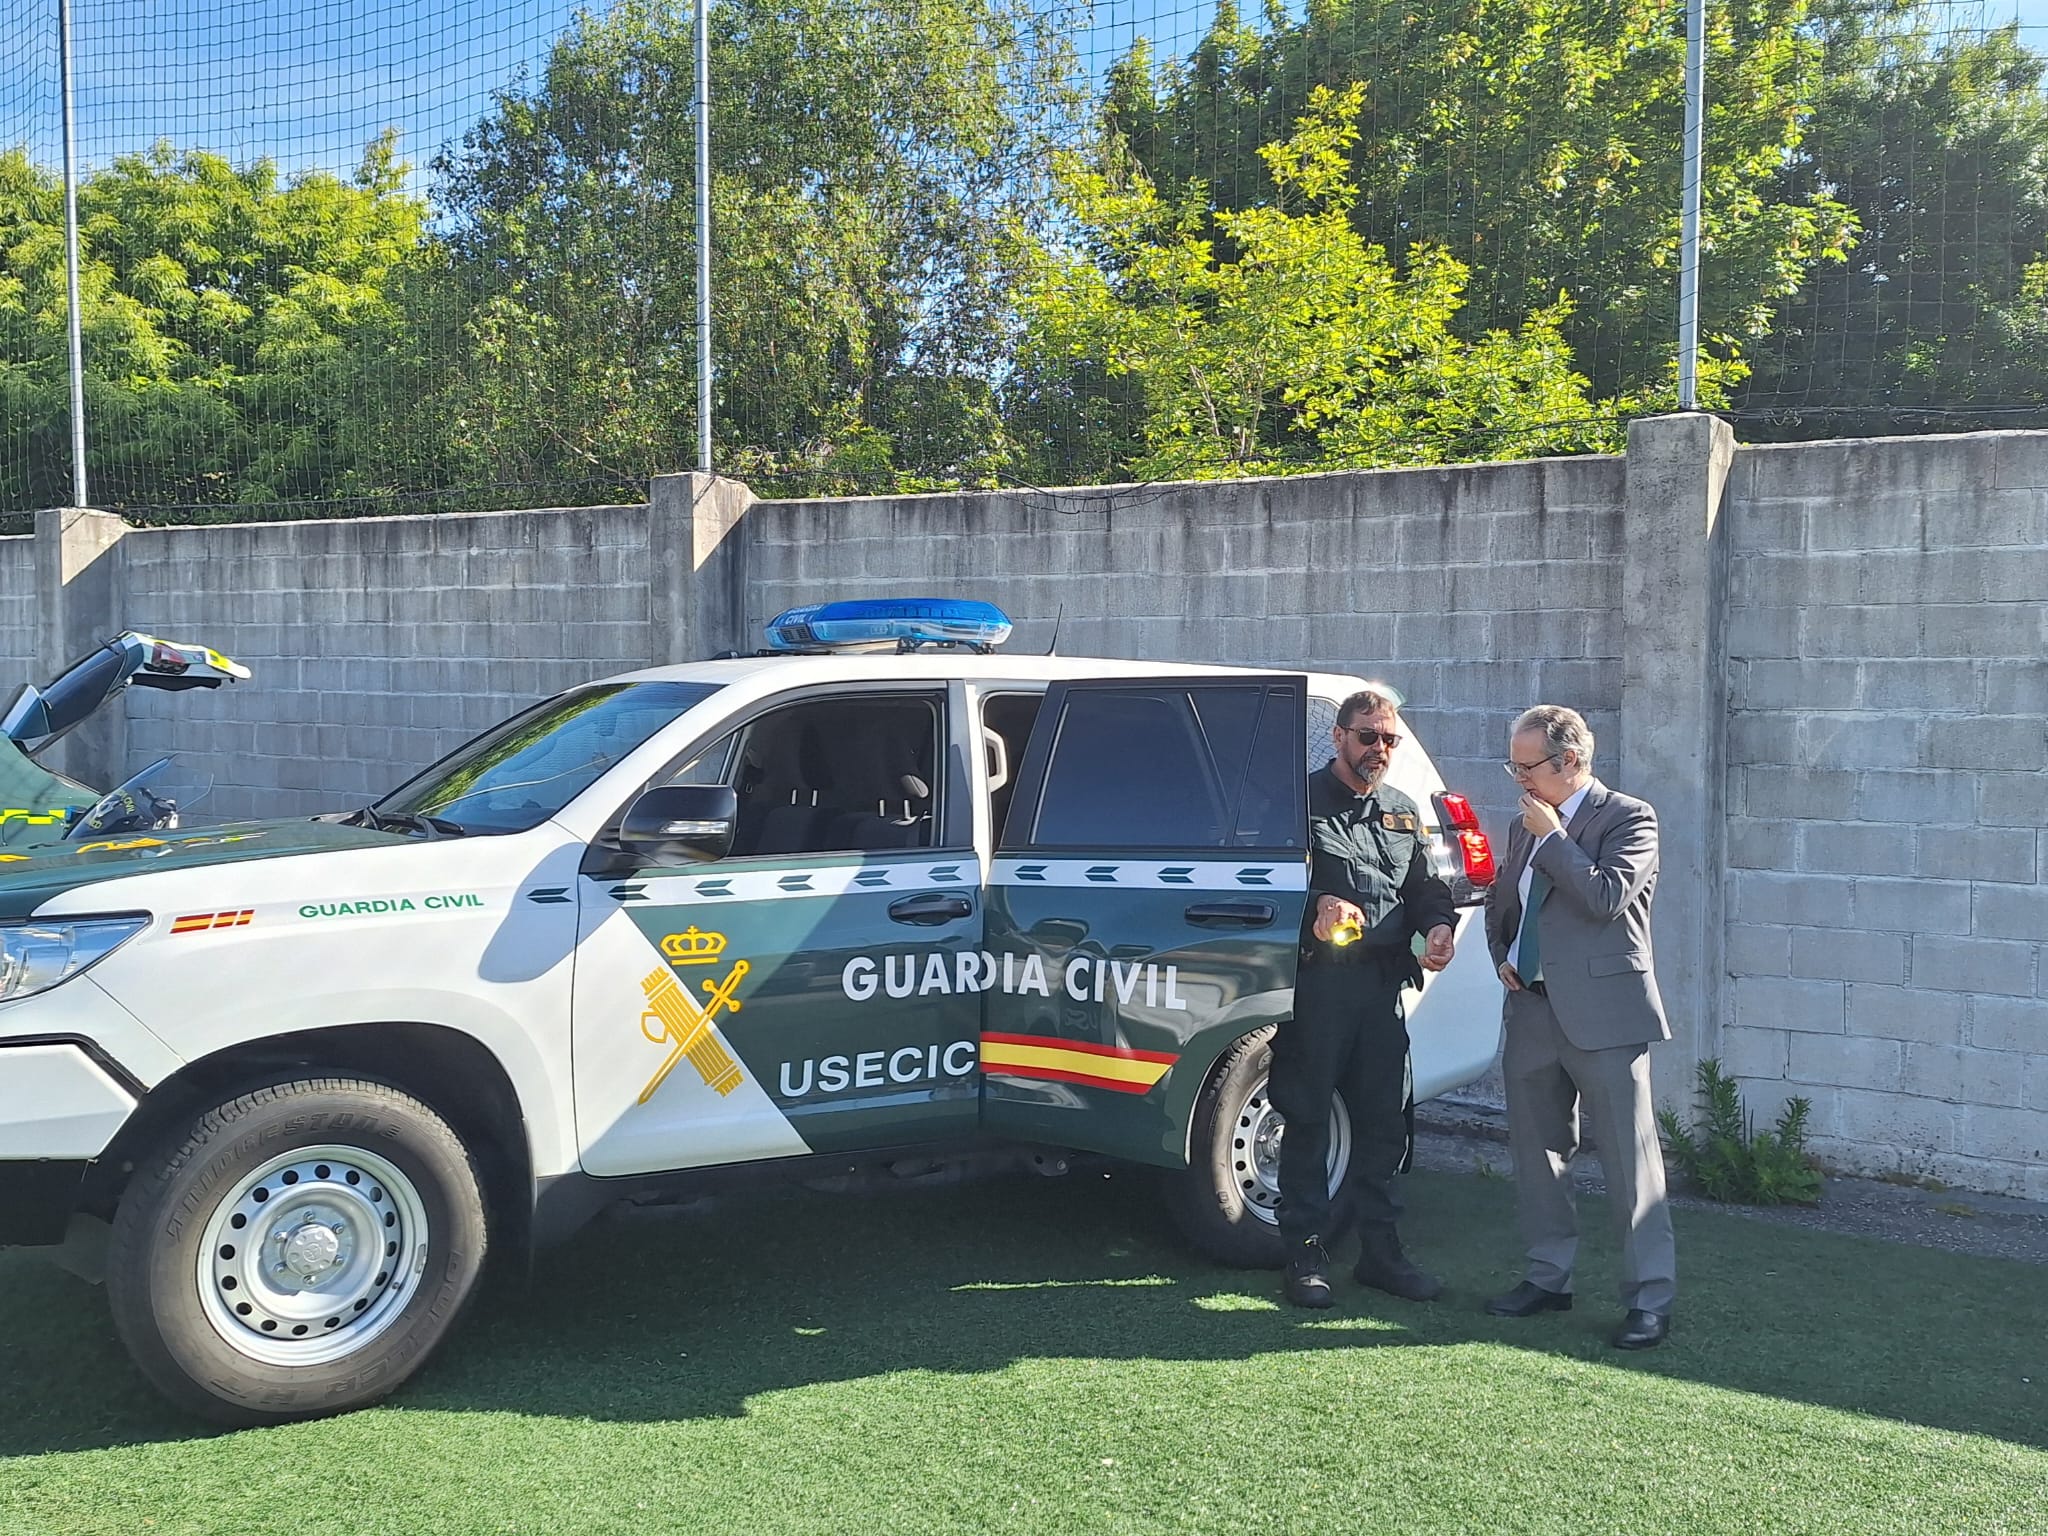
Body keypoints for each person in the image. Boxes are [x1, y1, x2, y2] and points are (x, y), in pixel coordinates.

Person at [1482, 704, 1676, 1350]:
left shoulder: (1630, 817)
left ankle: (1649, 1299)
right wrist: (1504, 958)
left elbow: (1605, 897)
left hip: (1605, 1017)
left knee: (1629, 1160)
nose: (1518, 778)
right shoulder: (1523, 825)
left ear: (1569, 761)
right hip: (1532, 1010)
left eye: (1526, 765)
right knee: (1537, 1156)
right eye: (1513, 764)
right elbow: (1502, 900)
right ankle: (1547, 1276)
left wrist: (1556, 840)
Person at [1273, 686, 1456, 1309]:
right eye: (1367, 737)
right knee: (1306, 1116)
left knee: (1384, 1122)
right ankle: (1304, 1255)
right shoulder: (1296, 805)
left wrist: (1438, 926)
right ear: (1339, 737)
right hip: (1318, 985)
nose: (1379, 749)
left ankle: (1382, 1254)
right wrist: (1314, 910)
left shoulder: (1402, 810)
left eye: (1388, 739)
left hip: (1381, 987)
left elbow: (1427, 887)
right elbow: (1263, 891)